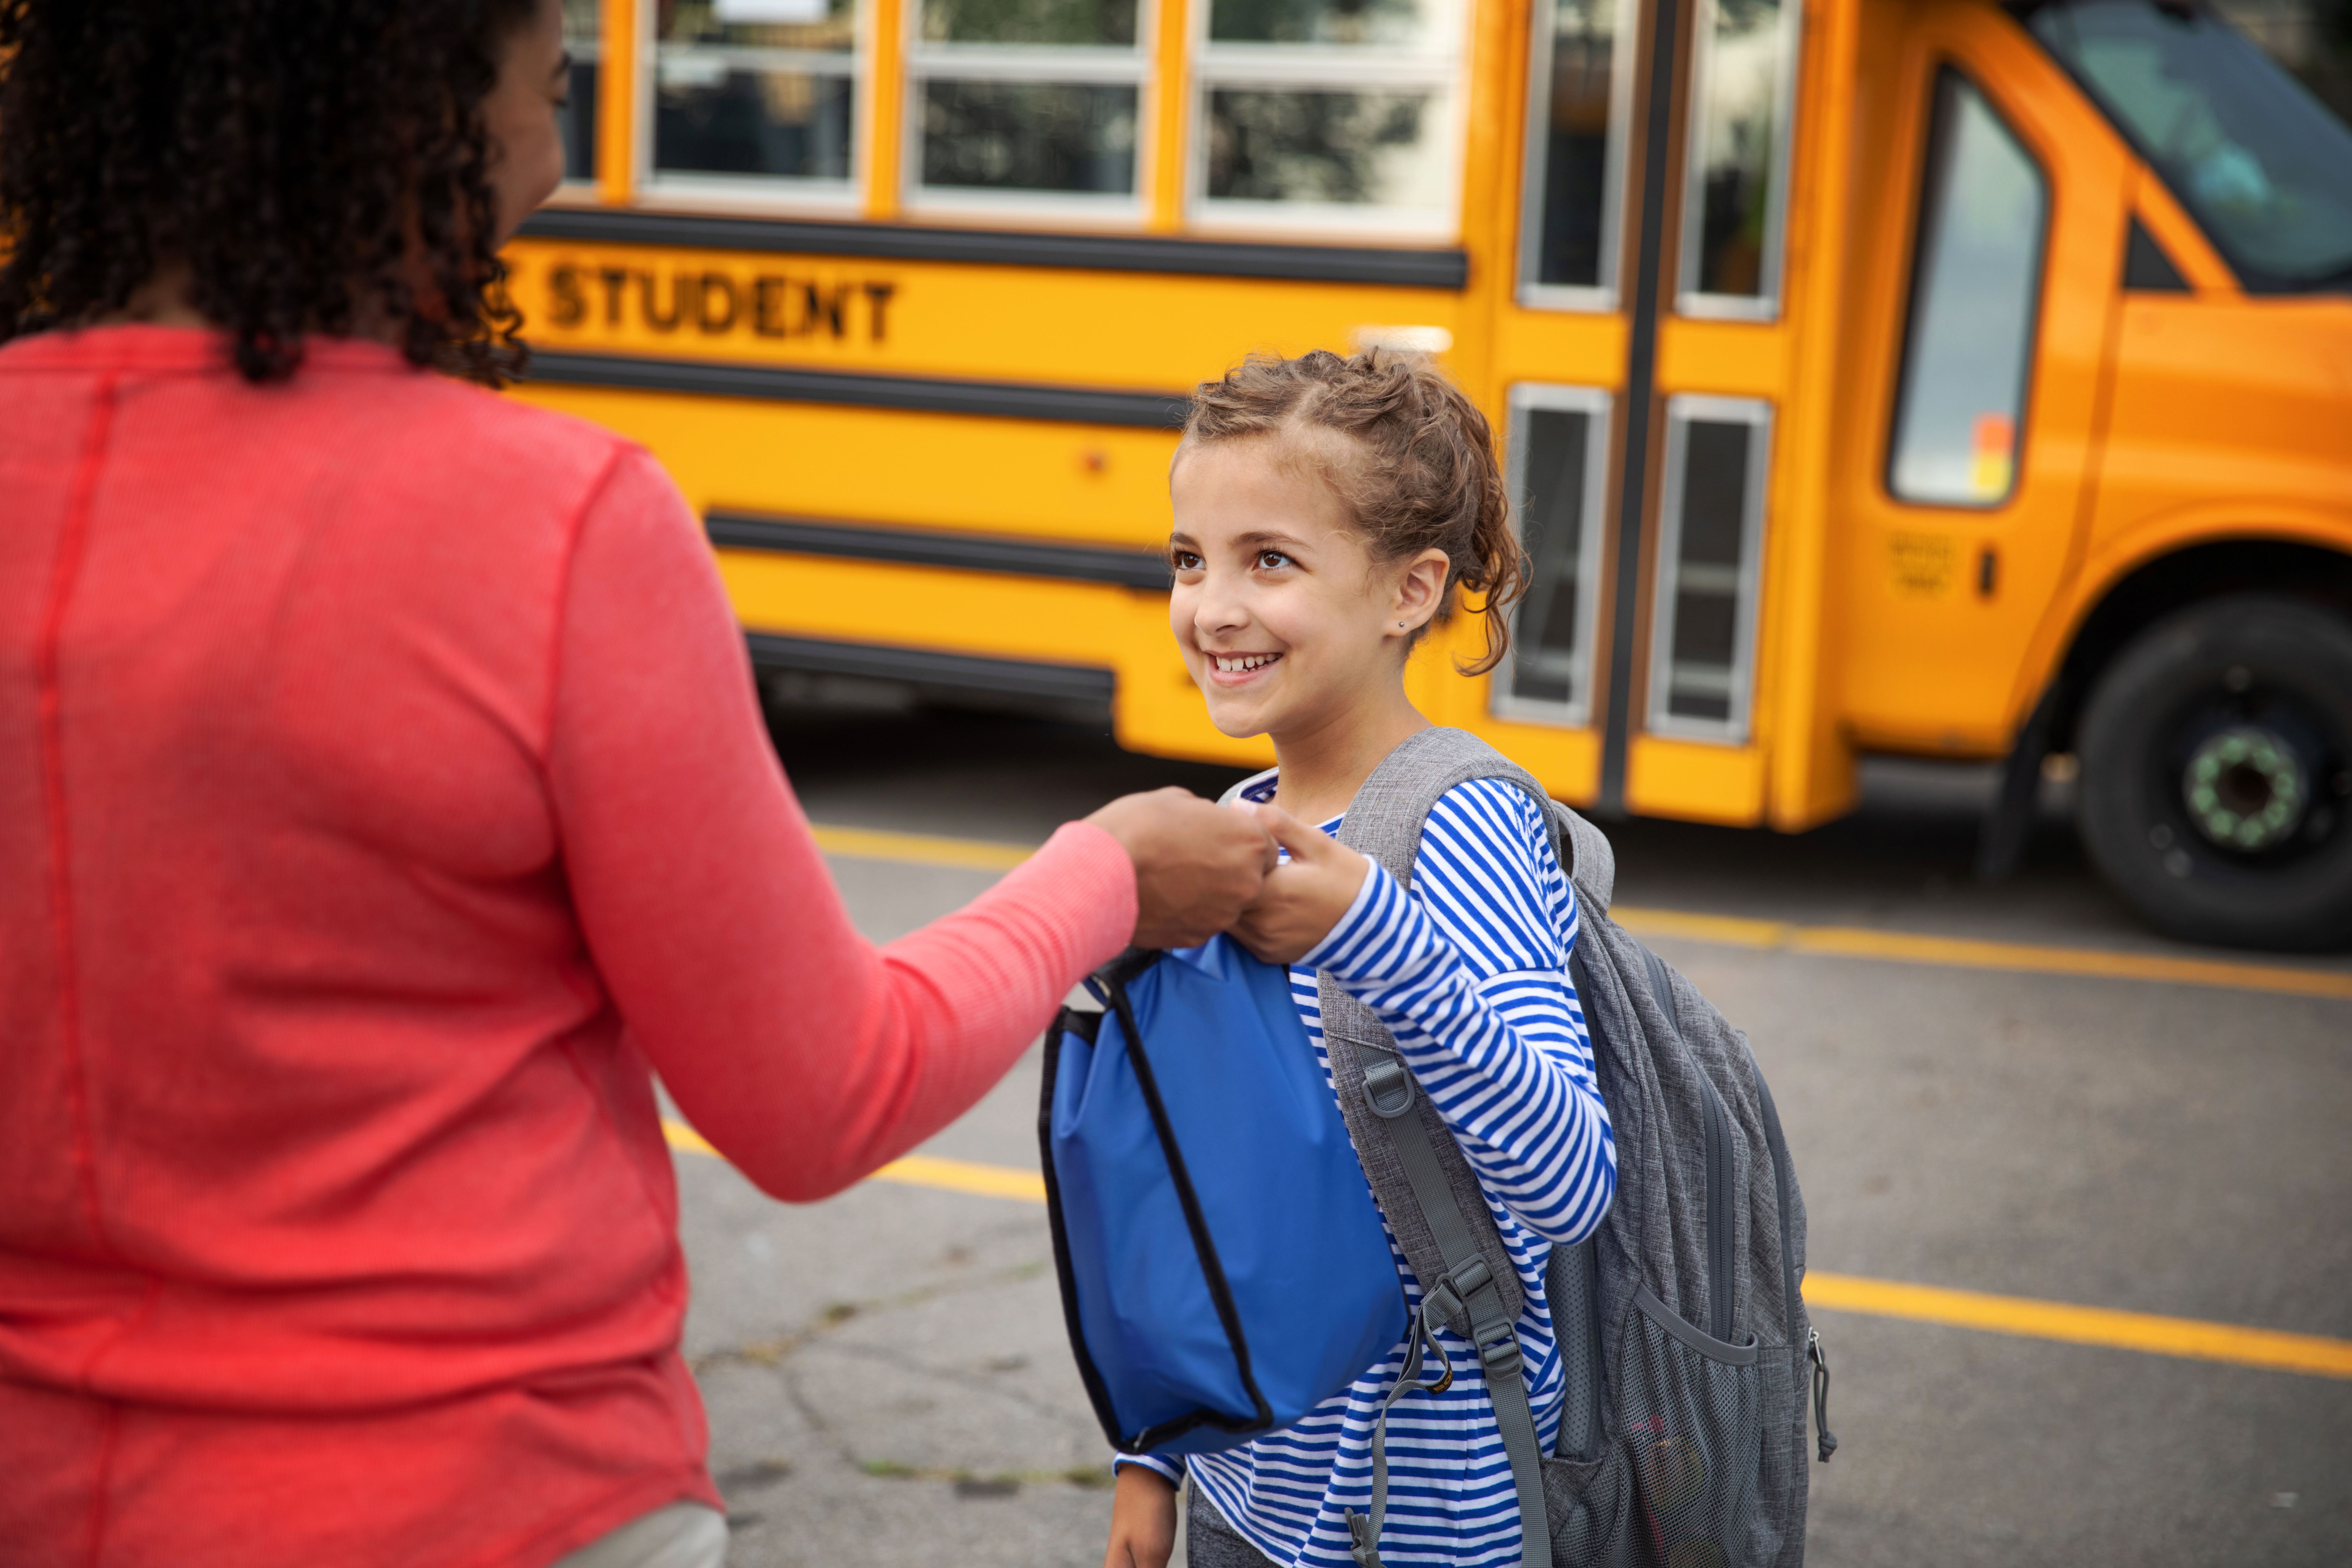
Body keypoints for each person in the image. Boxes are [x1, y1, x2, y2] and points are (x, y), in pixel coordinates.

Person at [0, 2, 1275, 1565]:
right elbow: (827, 1094)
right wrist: (1109, 877)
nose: (555, 168)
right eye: (551, 93)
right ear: (420, 114)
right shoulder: (555, 526)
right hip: (490, 1492)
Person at [1100, 351, 1619, 1568]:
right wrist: (1153, 1450)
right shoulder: (1235, 820)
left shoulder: (1457, 821)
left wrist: (1373, 935)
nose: (1212, 605)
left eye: (1267, 559)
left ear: (1409, 591)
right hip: (1245, 1490)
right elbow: (1205, 1186)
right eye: (1191, 558)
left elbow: (1571, 1179)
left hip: (1426, 1520)